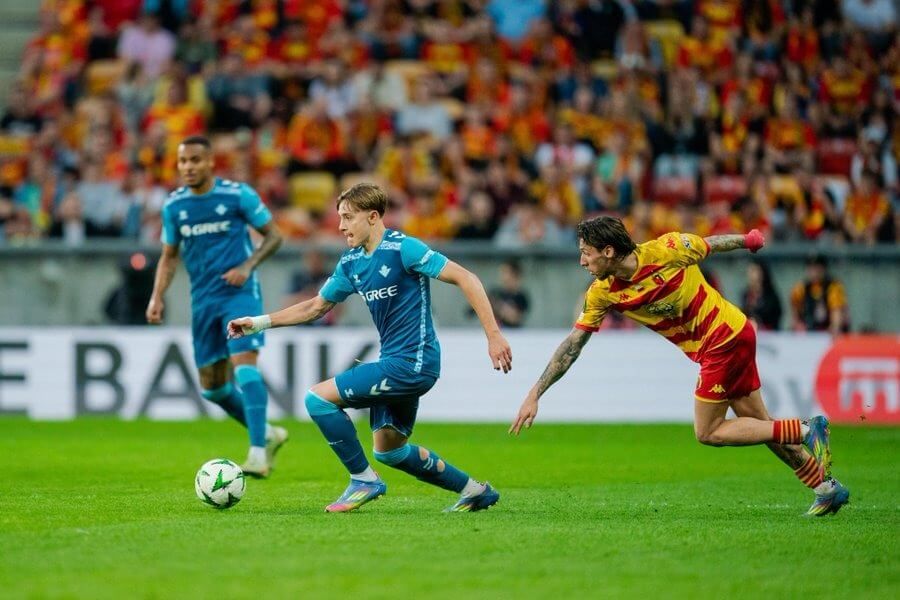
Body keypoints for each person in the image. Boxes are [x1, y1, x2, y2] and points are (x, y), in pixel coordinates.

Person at [510, 216, 849, 517]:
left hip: (722, 338)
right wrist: (535, 393)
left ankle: (806, 429)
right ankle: (825, 487)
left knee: (708, 431)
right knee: (761, 426)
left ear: (608, 251)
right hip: (734, 335)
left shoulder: (667, 250)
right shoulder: (603, 293)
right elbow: (572, 345)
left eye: (586, 253)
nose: (582, 261)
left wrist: (746, 240)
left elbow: (710, 244)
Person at [228, 183, 512, 513]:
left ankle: (363, 480)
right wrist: (258, 322)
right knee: (390, 451)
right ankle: (474, 490)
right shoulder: (351, 263)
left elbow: (467, 278)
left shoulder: (404, 249)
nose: (341, 226)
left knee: (317, 399)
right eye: (340, 218)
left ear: (373, 217)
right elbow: (316, 307)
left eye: (348, 217)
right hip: (395, 361)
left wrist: (493, 335)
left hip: (414, 362)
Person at [146, 135, 287, 478]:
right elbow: (169, 257)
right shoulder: (174, 206)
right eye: (183, 161)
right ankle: (268, 433)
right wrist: (157, 296)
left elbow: (274, 235)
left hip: (239, 294)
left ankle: (258, 454)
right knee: (213, 388)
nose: (188, 167)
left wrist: (247, 266)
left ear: (210, 162)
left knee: (244, 364)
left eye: (195, 160)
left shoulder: (237, 195)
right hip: (203, 300)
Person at [789, 254, 849, 335]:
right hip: (809, 332)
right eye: (811, 268)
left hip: (827, 331)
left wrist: (835, 326)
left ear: (823, 269)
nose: (814, 272)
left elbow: (837, 312)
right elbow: (795, 310)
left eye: (817, 268)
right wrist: (797, 324)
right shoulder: (800, 288)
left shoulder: (833, 287)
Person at [741, 258, 783, 330]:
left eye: (753, 271)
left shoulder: (771, 296)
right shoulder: (746, 295)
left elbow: (775, 316)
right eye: (749, 271)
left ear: (761, 273)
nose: (750, 274)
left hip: (769, 332)